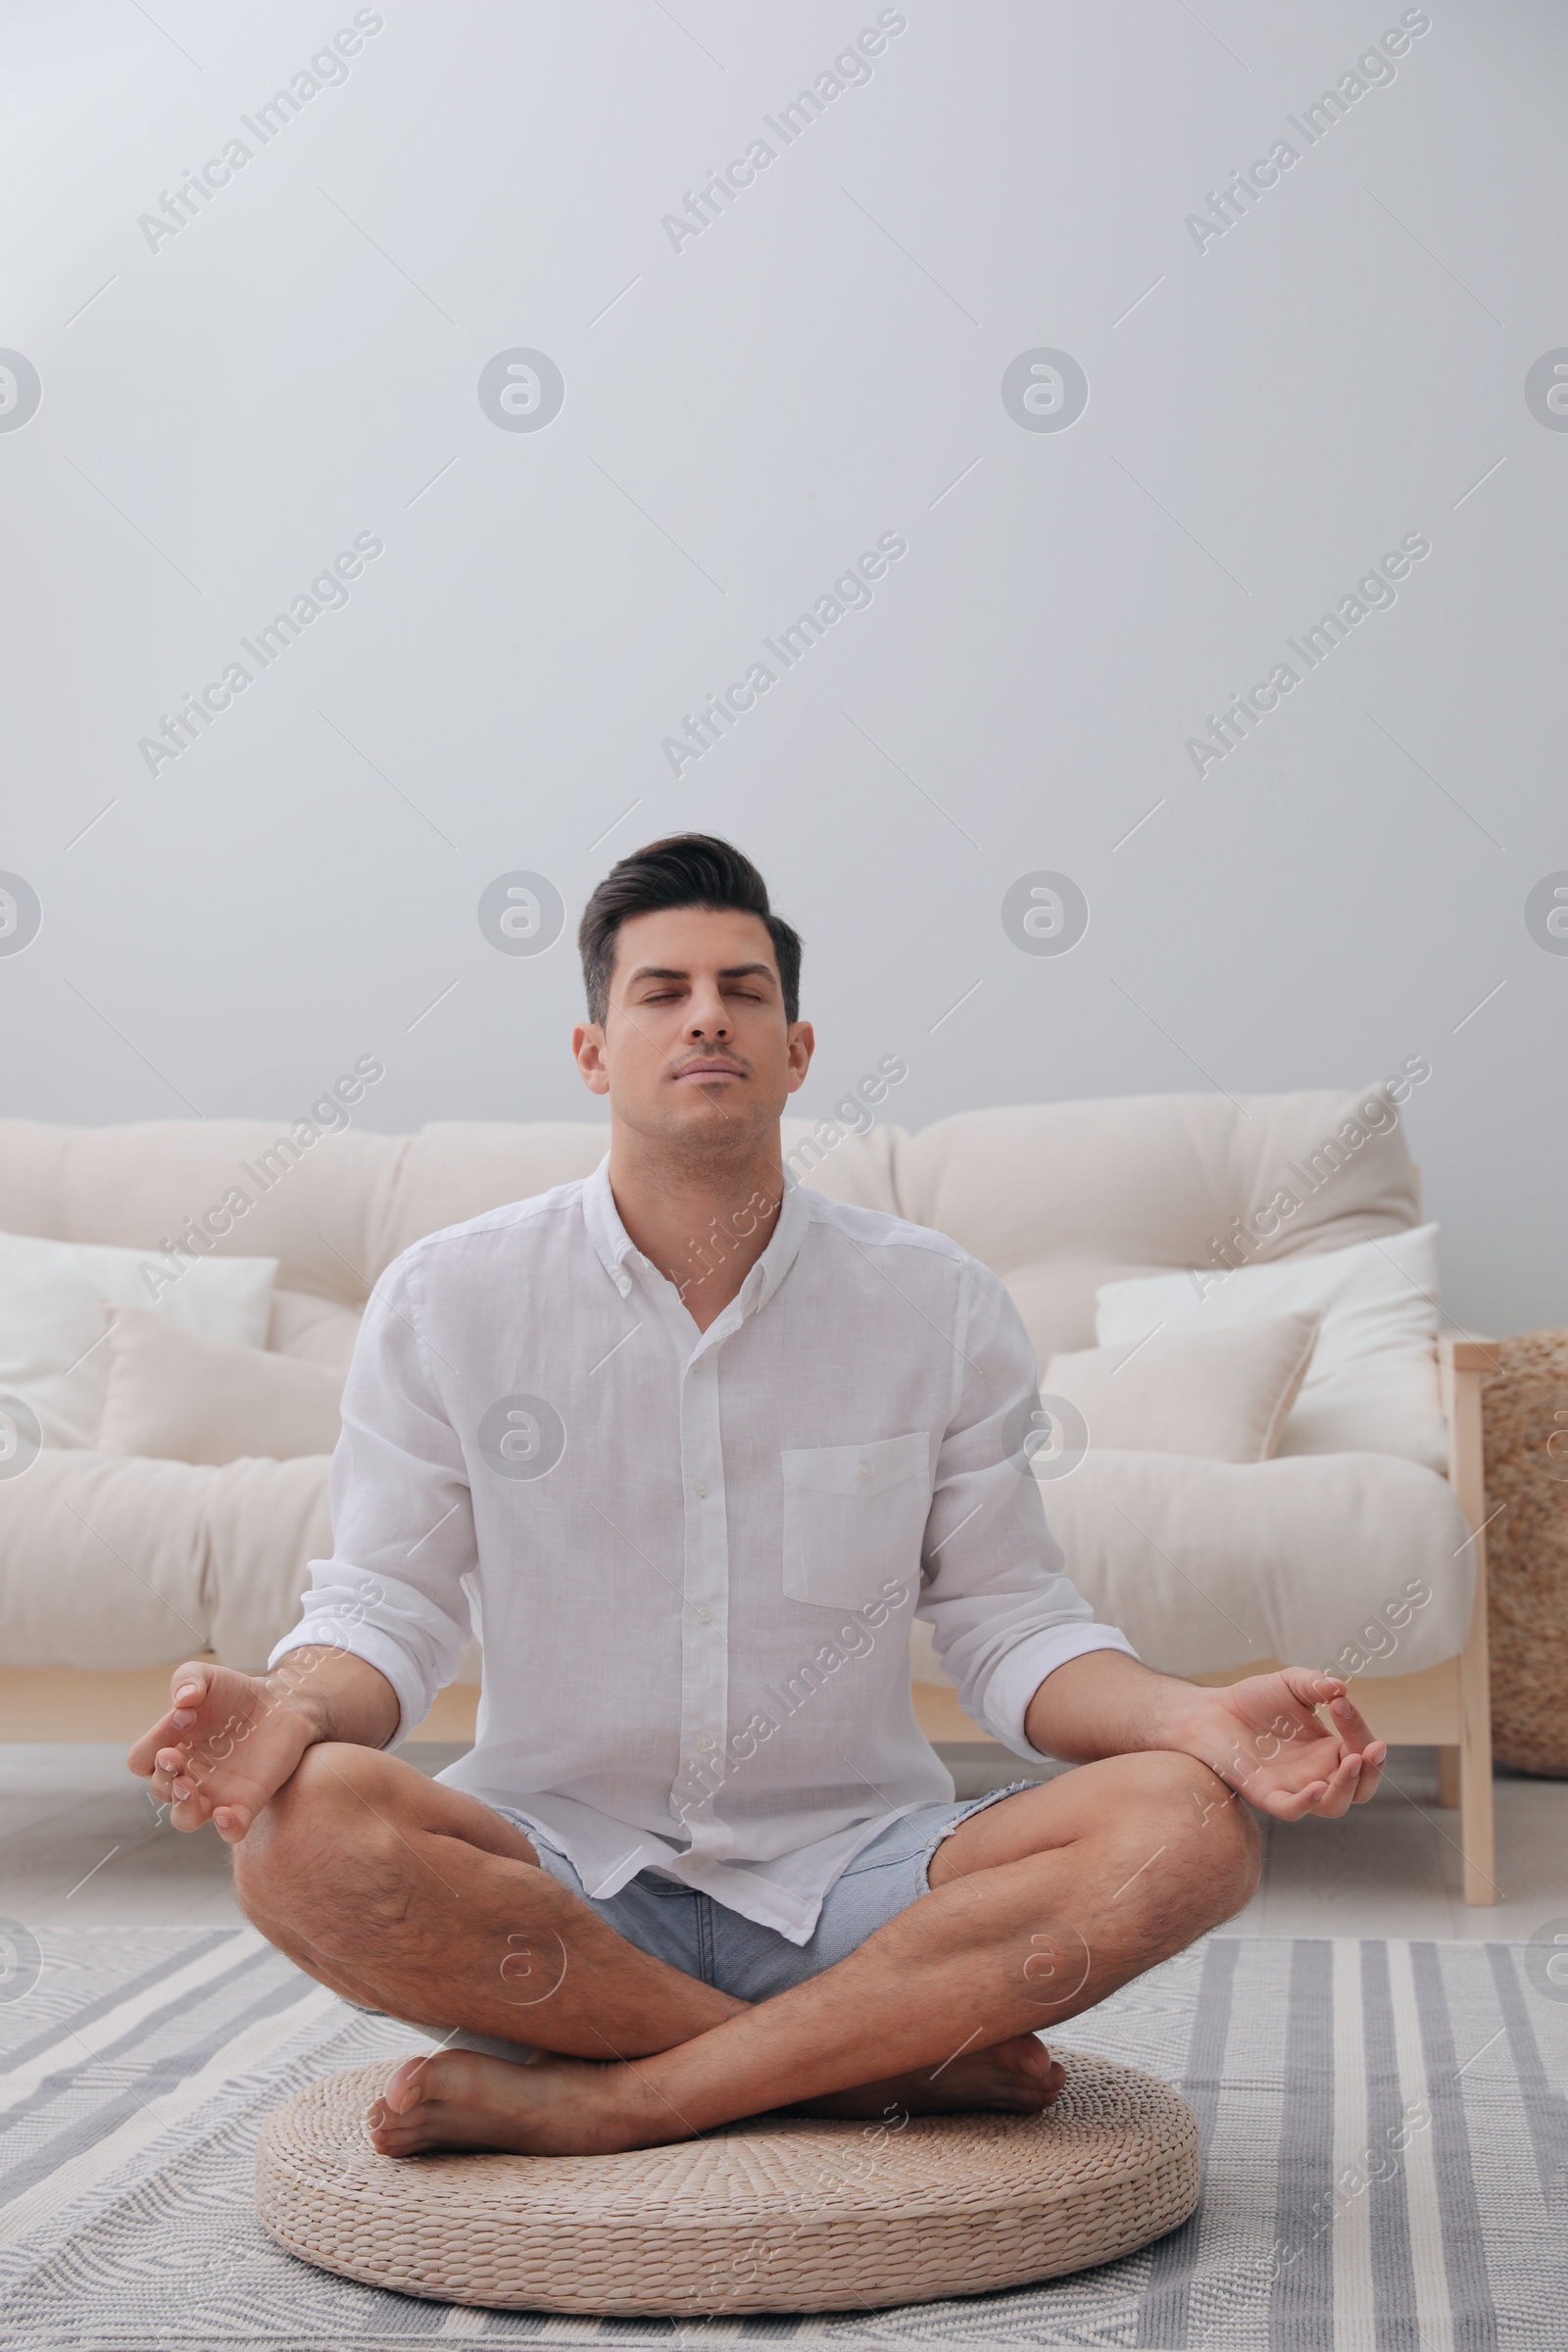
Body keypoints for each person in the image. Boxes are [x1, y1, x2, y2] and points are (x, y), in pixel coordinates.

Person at [129, 834, 1386, 2161]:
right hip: (557, 1886)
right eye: (660, 992)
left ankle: (638, 2094)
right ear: (592, 1053)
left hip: (867, 1877)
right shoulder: (451, 1300)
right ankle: (849, 2069)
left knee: (1191, 1829)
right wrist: (296, 1706)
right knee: (297, 1836)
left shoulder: (934, 1303)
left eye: (744, 989)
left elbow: (1010, 1624)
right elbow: (389, 1605)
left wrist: (1197, 1718)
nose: (707, 1016)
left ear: (796, 1051)